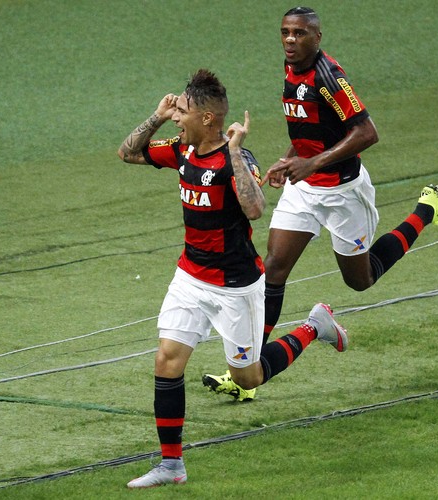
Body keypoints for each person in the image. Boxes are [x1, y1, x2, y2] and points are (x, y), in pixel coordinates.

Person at [203, 7, 438, 400]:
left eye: (300, 34)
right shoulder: (291, 69)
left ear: (317, 38)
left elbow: (366, 132)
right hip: (305, 188)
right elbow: (313, 128)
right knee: (272, 269)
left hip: (343, 192)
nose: (290, 40)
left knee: (361, 280)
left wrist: (311, 163)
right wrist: (291, 158)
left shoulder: (329, 78)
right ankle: (248, 370)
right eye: (285, 33)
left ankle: (429, 207)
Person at [118, 68, 349, 488]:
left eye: (182, 112)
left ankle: (316, 326)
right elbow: (129, 153)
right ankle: (171, 465)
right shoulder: (183, 151)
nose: (176, 119)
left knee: (249, 376)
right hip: (189, 276)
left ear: (208, 119)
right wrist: (155, 116)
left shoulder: (236, 158)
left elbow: (255, 208)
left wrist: (235, 153)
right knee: (167, 360)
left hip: (235, 286)